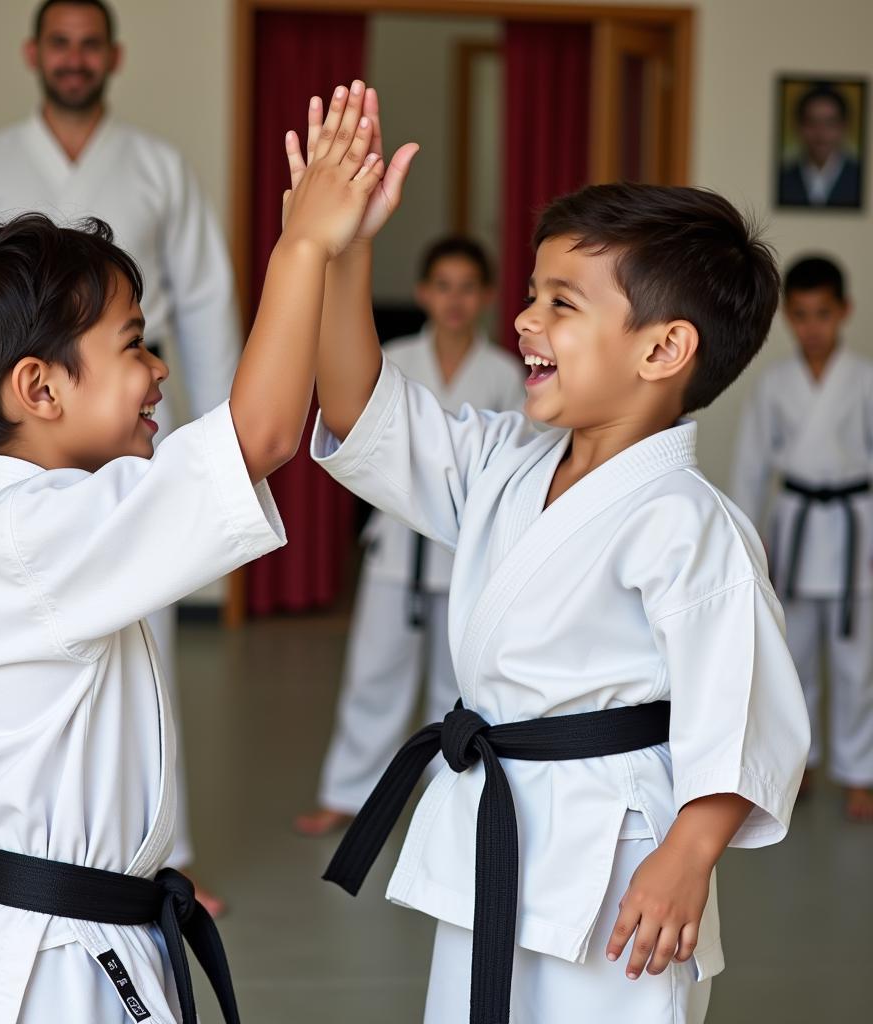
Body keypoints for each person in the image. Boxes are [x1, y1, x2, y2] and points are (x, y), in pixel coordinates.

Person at [0, 82, 386, 1024]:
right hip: (44, 972)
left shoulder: (48, 517)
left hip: (78, 937)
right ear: (40, 387)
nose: (159, 373)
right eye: (134, 347)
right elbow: (261, 434)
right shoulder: (34, 533)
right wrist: (304, 244)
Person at [292, 89, 810, 1023]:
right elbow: (357, 405)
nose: (525, 321)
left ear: (663, 348)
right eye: (531, 295)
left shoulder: (688, 523)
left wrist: (689, 857)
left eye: (560, 303)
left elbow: (742, 714)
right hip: (498, 827)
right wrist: (342, 248)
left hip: (622, 865)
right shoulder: (503, 461)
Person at [0, 0, 239, 901]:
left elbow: (208, 301)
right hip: (22, 443)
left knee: (134, 632)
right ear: (36, 53)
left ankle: (158, 847)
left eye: (88, 44)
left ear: (114, 55)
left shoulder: (157, 167)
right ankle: (23, 844)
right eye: (59, 43)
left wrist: (208, 436)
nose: (74, 59)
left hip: (129, 440)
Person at [295, 236, 526, 837]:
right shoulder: (390, 358)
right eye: (442, 286)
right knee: (374, 672)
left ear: (487, 297)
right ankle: (348, 794)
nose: (454, 300)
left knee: (461, 682)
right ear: (425, 292)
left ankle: (457, 793)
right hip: (395, 547)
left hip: (467, 551)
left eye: (467, 287)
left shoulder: (506, 373)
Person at [732, 256, 873, 822]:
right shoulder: (773, 384)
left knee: (856, 664)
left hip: (854, 530)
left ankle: (859, 771)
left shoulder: (864, 379)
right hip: (794, 524)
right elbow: (749, 465)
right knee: (793, 660)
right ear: (787, 318)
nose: (813, 326)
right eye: (801, 315)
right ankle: (801, 764)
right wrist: (746, 534)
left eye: (823, 314)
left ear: (844, 313)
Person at [778, 84, 862, 207]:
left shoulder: (858, 176)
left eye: (830, 123)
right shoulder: (784, 178)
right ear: (798, 127)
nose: (821, 133)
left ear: (844, 127)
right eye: (812, 123)